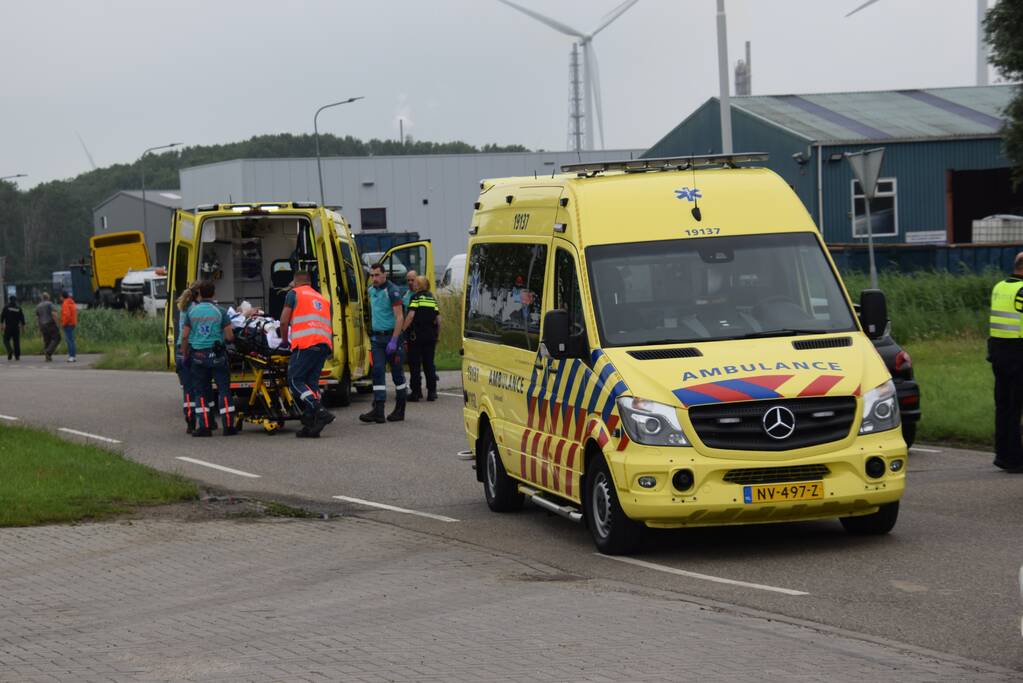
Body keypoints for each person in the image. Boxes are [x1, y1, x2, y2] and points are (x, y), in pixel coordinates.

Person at [279, 271, 335, 438]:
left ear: (296, 282)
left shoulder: (294, 294)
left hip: (305, 344)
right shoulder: (322, 299)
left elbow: (283, 321)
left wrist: (283, 341)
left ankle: (319, 410)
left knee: (295, 381)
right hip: (323, 345)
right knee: (311, 384)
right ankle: (311, 424)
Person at [180, 280, 236, 437]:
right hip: (217, 356)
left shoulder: (191, 312)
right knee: (224, 390)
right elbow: (229, 336)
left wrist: (185, 355)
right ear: (213, 293)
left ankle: (204, 427)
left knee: (201, 392)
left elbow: (185, 337)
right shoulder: (220, 311)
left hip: (197, 357)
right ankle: (229, 426)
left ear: (200, 294)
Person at [360, 262, 408, 424]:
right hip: (377, 339)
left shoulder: (392, 291)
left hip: (392, 337)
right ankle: (378, 410)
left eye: (377, 275)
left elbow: (400, 317)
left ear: (384, 274)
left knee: (397, 374)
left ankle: (400, 409)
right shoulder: (371, 291)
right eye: (372, 275)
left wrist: (394, 339)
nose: (374, 278)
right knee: (378, 371)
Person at [988, 252, 1023, 472]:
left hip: (999, 352)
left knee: (1004, 406)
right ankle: (1015, 459)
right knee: (1015, 407)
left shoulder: (1000, 286)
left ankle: (1002, 455)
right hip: (1019, 353)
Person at [402, 275, 440, 402]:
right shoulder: (432, 299)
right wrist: (437, 335)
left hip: (416, 337)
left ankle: (416, 393)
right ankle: (432, 392)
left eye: (416, 283)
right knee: (429, 364)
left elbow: (411, 316)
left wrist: (402, 330)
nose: (413, 285)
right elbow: (438, 320)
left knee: (415, 365)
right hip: (430, 337)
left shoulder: (415, 298)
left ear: (419, 285)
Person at [175, 283, 199, 433]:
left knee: (187, 389)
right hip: (190, 348)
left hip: (180, 350)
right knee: (200, 387)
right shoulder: (195, 309)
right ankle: (205, 420)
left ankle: (190, 421)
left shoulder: (184, 307)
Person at [34, 293, 60, 362]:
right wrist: (57, 324)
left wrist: (39, 328)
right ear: (48, 297)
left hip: (42, 325)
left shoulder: (38, 306)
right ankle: (48, 351)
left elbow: (37, 318)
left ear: (42, 298)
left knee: (47, 340)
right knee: (57, 338)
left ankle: (48, 357)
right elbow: (54, 314)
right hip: (50, 324)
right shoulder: (50, 304)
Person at [2, 296, 25, 361]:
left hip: (8, 327)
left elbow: (2, 317)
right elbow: (22, 318)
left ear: (9, 300)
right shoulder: (18, 308)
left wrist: (1, 325)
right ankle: (17, 356)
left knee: (5, 339)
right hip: (16, 328)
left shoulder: (6, 307)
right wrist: (23, 328)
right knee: (16, 342)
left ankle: (10, 350)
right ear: (15, 300)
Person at [60, 291, 77, 363]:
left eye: (60, 296)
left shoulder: (65, 303)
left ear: (62, 297)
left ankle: (71, 356)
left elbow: (67, 315)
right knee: (71, 340)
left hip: (67, 324)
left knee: (69, 341)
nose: (60, 298)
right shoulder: (71, 302)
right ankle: (73, 355)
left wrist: (63, 323)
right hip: (72, 323)